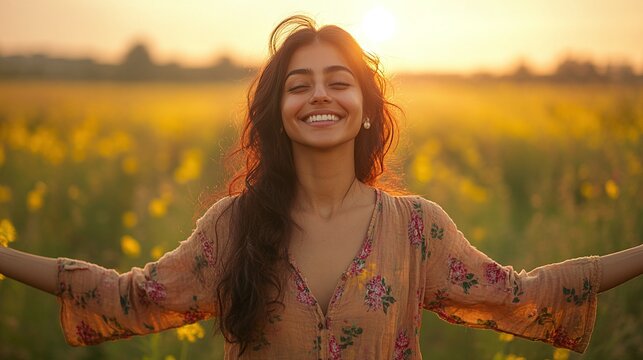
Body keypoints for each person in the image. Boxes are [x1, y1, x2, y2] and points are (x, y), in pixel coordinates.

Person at [0, 15, 641, 360]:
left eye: (339, 81)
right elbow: (129, 298)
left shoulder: (417, 227)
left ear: (364, 107)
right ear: (278, 111)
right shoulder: (233, 226)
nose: (320, 96)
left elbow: (521, 296)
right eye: (298, 85)